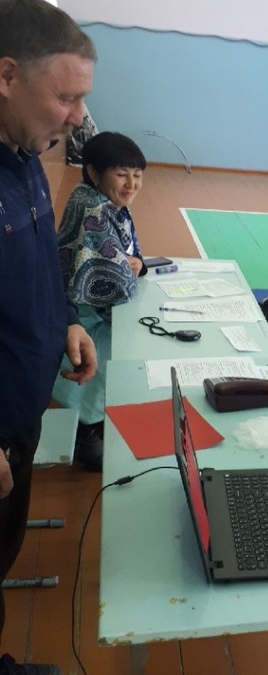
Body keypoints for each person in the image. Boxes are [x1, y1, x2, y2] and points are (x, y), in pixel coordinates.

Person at [0, 0, 98, 675]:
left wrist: (64, 318)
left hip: (19, 417)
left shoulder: (26, 151)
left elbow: (36, 259)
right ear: (6, 75)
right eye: (64, 96)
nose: (76, 115)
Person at [53, 132, 148, 471]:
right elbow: (115, 282)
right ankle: (86, 434)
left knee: (98, 374)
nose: (131, 184)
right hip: (87, 313)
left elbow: (127, 256)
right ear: (94, 172)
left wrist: (138, 264)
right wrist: (131, 273)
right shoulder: (95, 209)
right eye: (122, 174)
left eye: (137, 175)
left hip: (83, 308)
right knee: (96, 372)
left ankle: (91, 424)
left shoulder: (98, 199)